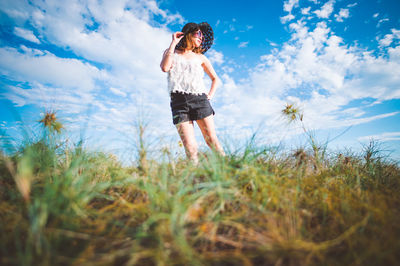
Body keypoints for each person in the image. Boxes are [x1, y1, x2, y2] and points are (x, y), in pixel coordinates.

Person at [160, 22, 225, 163]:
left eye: (202, 35)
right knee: (190, 147)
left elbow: (215, 79)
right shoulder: (170, 52)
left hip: (199, 100)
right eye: (198, 34)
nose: (201, 38)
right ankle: (194, 180)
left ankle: (230, 172)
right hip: (178, 103)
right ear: (188, 34)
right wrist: (173, 43)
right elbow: (165, 68)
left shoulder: (200, 57)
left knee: (212, 141)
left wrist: (209, 95)